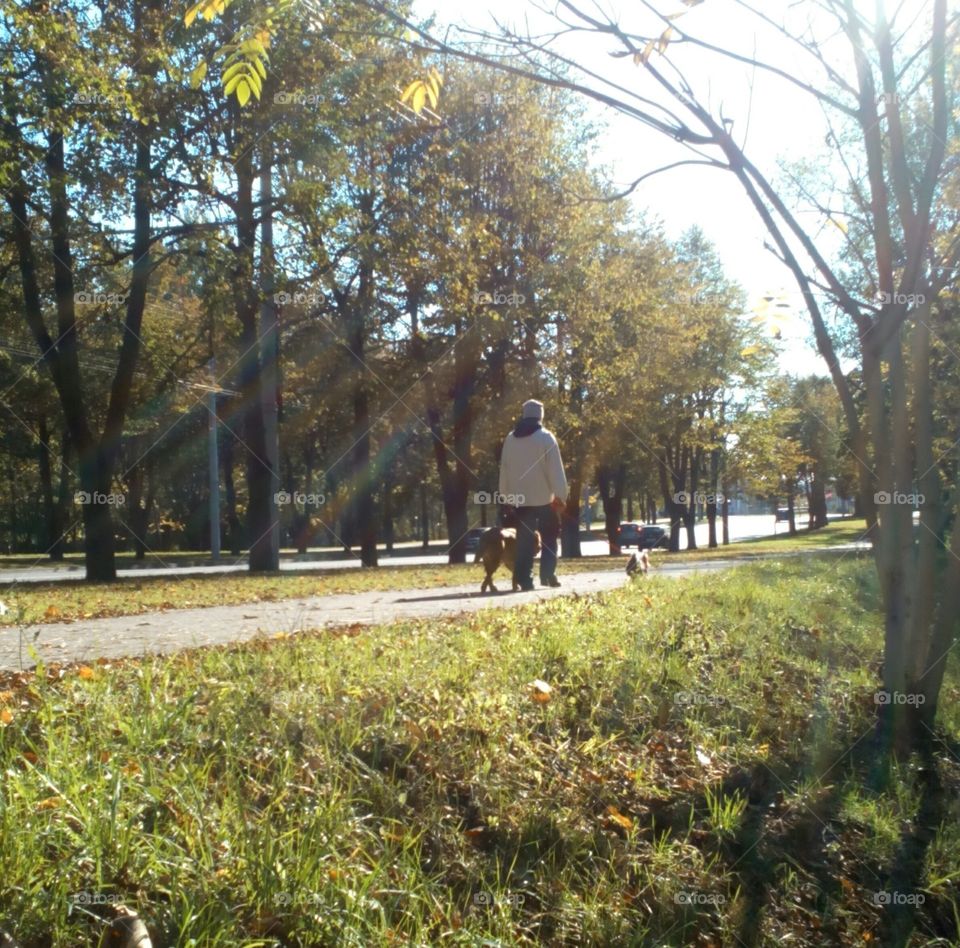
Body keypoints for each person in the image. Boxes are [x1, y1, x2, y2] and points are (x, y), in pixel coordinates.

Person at [498, 398, 568, 590]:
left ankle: (524, 579)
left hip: (522, 501)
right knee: (550, 539)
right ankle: (547, 575)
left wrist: (506, 496)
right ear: (540, 416)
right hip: (546, 500)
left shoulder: (510, 440)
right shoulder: (546, 437)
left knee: (524, 542)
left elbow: (504, 469)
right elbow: (556, 470)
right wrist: (561, 495)